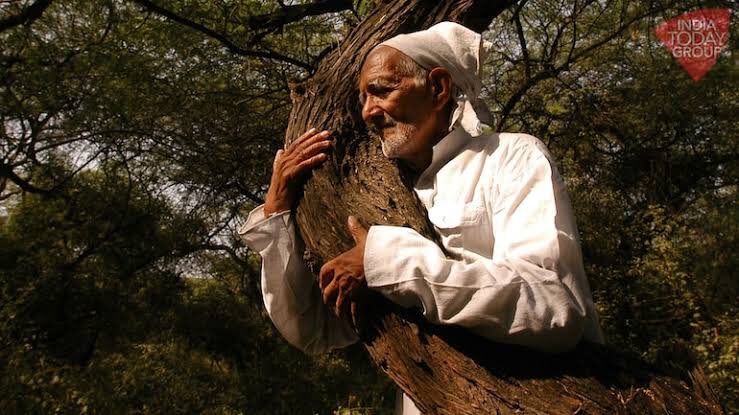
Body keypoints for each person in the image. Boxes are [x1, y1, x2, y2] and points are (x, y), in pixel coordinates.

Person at [239, 22, 604, 415]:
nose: (367, 112)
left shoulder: (511, 157)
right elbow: (315, 330)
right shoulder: (377, 192)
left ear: (438, 87)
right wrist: (277, 210)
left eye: (381, 90)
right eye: (362, 98)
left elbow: (554, 306)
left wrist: (388, 261)